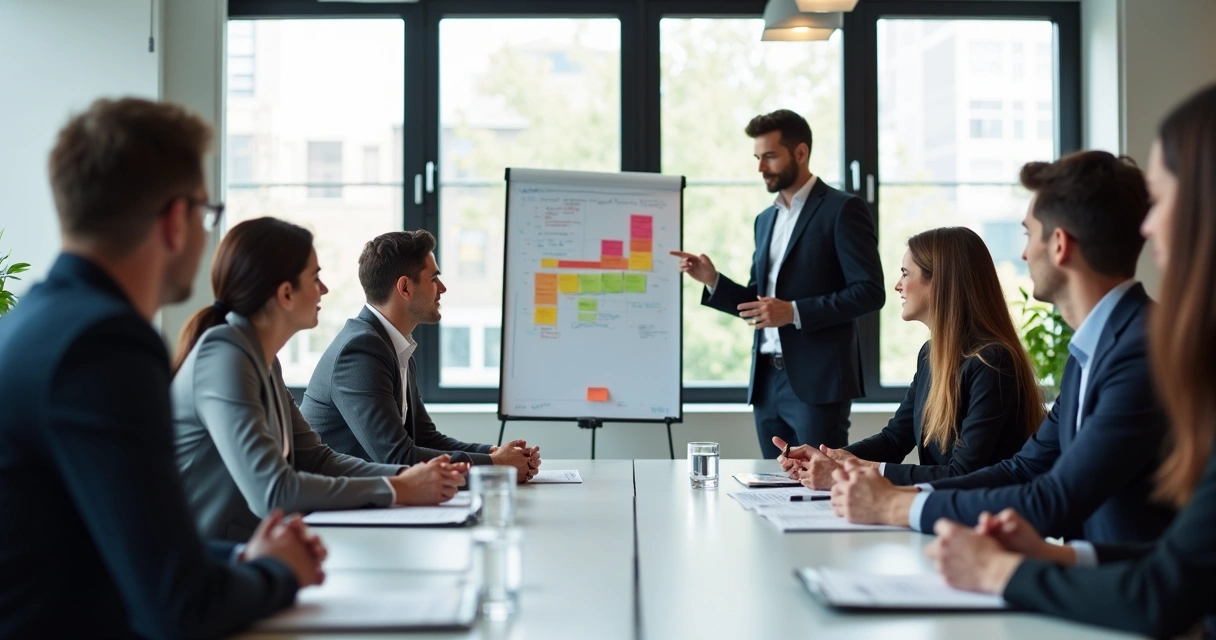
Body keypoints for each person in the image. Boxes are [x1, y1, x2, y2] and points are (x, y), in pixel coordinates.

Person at [0, 98, 324, 638]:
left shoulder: (33, 323)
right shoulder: (104, 347)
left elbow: (124, 544)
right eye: (206, 214)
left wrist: (248, 555)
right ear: (177, 220)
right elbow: (179, 606)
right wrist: (277, 572)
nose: (205, 234)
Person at [925, 83, 1216, 639]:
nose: (1148, 225)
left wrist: (996, 567)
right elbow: (1174, 565)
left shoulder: (1149, 350)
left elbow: (1163, 587)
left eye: (1163, 197)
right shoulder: (1091, 350)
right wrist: (1056, 560)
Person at [828, 150, 1175, 546]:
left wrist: (895, 506)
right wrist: (891, 491)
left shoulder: (1142, 348)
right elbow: (1021, 470)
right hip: (1091, 574)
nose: (1024, 253)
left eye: (1028, 235)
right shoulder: (1091, 351)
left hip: (1130, 591)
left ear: (1059, 244)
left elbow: (1053, 499)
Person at [172, 218, 467, 542]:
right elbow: (273, 490)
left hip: (253, 549)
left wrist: (408, 477)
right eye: (315, 278)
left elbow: (316, 459)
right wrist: (398, 487)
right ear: (286, 293)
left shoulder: (262, 360)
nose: (324, 289)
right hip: (208, 562)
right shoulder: (224, 356)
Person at [671, 109, 884, 458]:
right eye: (757, 157)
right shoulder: (764, 220)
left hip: (817, 383)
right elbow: (760, 304)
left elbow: (870, 292)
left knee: (819, 488)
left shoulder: (843, 209)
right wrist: (712, 280)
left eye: (769, 156)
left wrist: (794, 312)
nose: (760, 167)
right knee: (773, 487)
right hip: (766, 382)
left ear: (800, 153)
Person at [777, 227, 1044, 488]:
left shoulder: (993, 362)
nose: (897, 285)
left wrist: (856, 469)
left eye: (905, 274)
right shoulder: (931, 354)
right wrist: (826, 459)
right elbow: (895, 440)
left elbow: (963, 473)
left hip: (987, 519)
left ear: (940, 282)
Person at [301, 230, 541, 481]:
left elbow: (425, 438)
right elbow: (397, 458)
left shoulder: (394, 346)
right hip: (335, 508)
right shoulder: (361, 351)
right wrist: (495, 465)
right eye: (434, 278)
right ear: (405, 287)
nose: (443, 288)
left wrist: (493, 453)